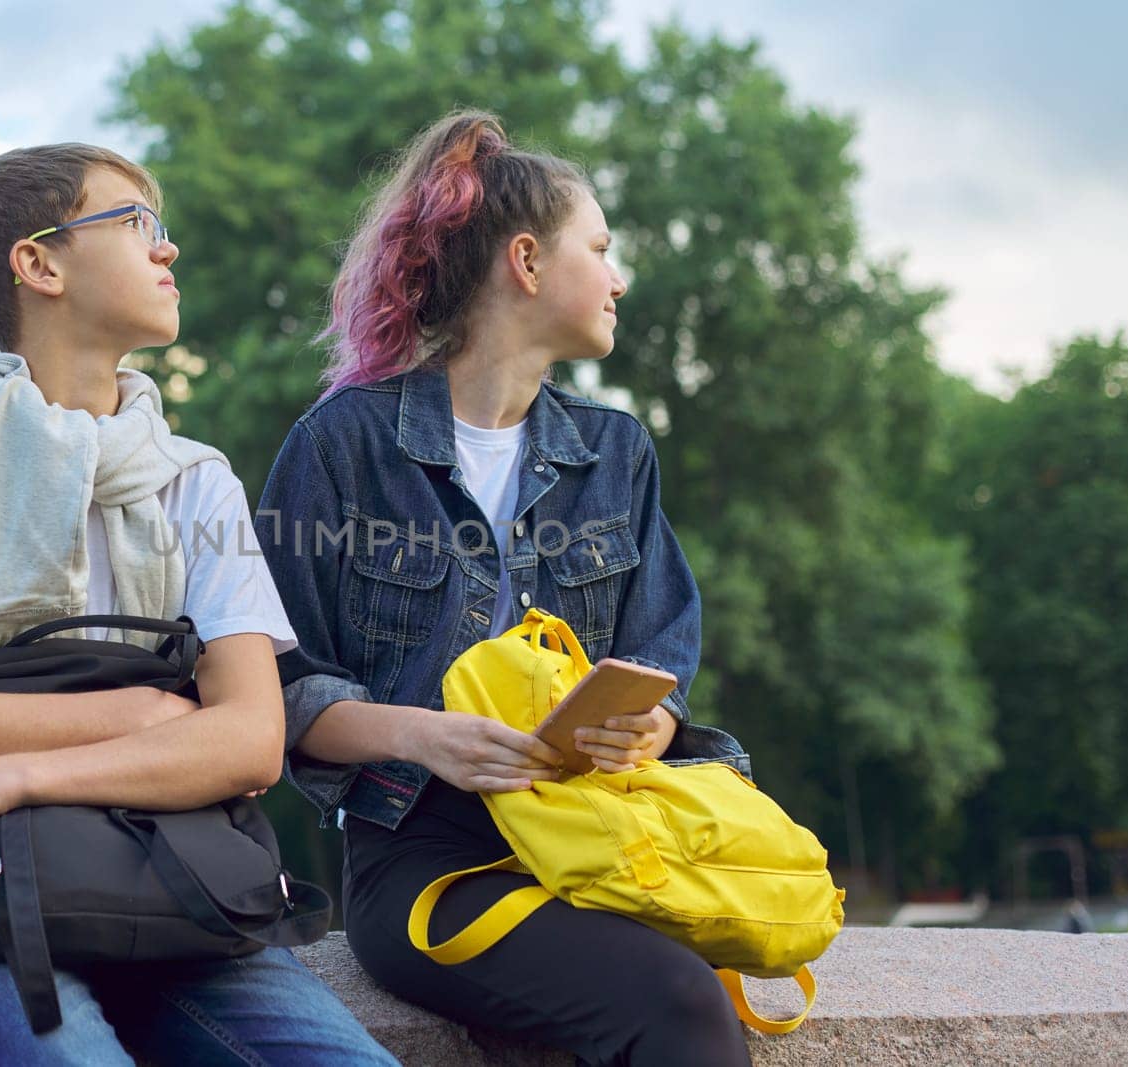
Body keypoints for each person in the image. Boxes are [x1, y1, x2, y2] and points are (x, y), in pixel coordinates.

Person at [0, 143, 395, 1066]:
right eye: (136, 223)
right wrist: (136, 716)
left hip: (177, 880)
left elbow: (248, 742)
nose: (168, 251)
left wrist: (6, 769)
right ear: (39, 262)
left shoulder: (194, 480)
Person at [255, 111, 755, 1066]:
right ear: (526, 261)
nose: (618, 278)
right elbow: (274, 693)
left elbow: (660, 664)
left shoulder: (617, 451)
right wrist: (425, 736)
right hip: (424, 854)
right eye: (601, 248)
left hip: (600, 832)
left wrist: (645, 724)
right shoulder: (339, 446)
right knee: (679, 1004)